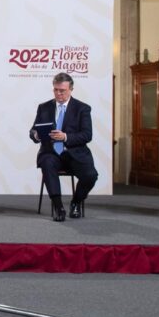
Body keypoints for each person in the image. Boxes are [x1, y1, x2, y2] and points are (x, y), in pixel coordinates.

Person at [30, 72, 98, 222]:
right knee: (47, 163)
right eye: (56, 90)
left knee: (91, 176)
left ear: (71, 89)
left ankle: (76, 202)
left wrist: (65, 137)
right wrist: (36, 135)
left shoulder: (83, 108)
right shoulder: (44, 107)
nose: (58, 93)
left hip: (75, 153)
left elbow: (87, 135)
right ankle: (58, 207)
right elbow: (33, 130)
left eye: (62, 90)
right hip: (51, 152)